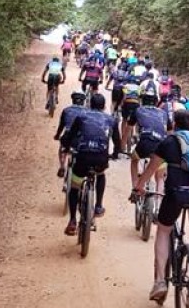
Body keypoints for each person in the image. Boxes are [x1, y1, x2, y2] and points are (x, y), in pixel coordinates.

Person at [133, 110, 189, 303]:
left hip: (175, 194)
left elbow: (151, 169)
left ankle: (160, 281)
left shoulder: (168, 142)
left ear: (174, 125)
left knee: (163, 231)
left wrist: (139, 186)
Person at [60, 93, 120, 234]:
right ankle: (98, 205)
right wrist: (115, 154)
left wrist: (66, 147)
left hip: (83, 156)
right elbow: (117, 141)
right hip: (100, 158)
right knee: (101, 173)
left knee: (75, 187)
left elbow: (70, 136)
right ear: (104, 106)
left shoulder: (81, 117)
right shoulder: (111, 119)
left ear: (89, 104)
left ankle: (73, 220)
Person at [129, 92, 170, 194]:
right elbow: (170, 132)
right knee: (160, 175)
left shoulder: (139, 110)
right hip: (162, 145)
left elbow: (128, 129)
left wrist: (122, 146)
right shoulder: (163, 113)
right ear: (156, 102)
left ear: (142, 101)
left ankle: (135, 187)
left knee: (134, 160)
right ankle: (158, 201)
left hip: (146, 142)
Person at [53, 91, 88, 177]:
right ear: (83, 101)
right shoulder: (87, 112)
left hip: (68, 134)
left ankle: (62, 166)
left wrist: (57, 135)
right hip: (80, 137)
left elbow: (61, 125)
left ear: (72, 100)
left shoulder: (66, 110)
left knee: (62, 148)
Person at [118, 73, 143, 151]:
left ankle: (123, 136)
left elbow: (124, 97)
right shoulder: (139, 87)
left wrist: (121, 105)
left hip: (127, 103)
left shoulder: (126, 86)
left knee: (124, 120)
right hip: (136, 104)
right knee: (133, 122)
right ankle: (131, 136)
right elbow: (139, 98)